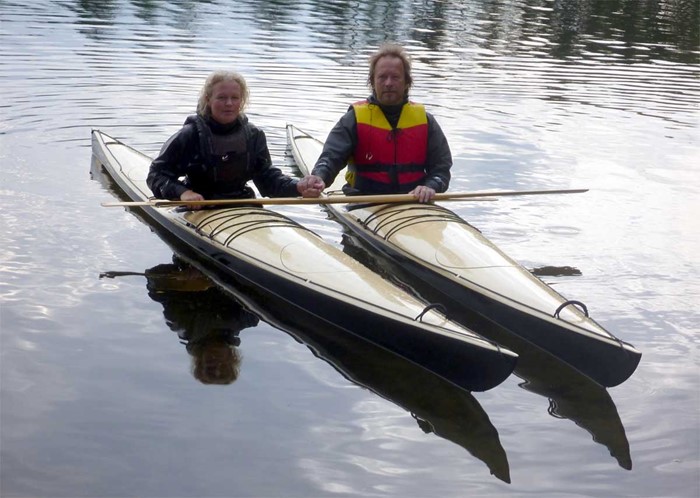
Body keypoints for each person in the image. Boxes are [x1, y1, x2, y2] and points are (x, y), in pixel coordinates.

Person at [301, 43, 452, 203]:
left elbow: (441, 169)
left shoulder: (426, 121)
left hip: (415, 201)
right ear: (372, 81)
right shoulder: (353, 119)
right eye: (382, 77)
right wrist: (319, 177)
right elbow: (331, 157)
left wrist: (431, 186)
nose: (388, 83)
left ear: (407, 82)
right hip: (363, 202)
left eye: (395, 77)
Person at [147, 70, 323, 207]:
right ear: (208, 99)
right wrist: (182, 193)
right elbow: (156, 175)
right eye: (222, 98)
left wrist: (298, 187)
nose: (229, 104)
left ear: (242, 101)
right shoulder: (189, 135)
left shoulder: (254, 135)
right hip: (199, 207)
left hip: (242, 203)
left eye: (234, 98)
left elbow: (267, 179)